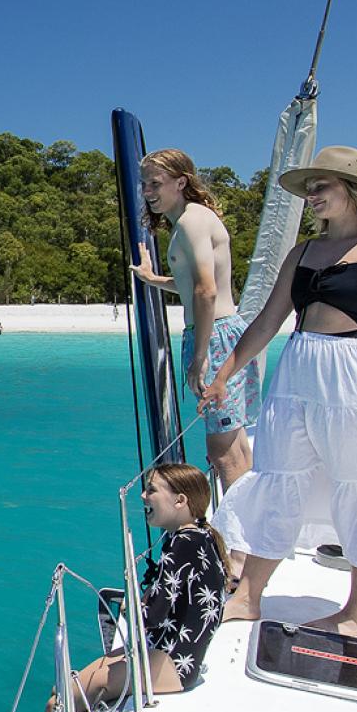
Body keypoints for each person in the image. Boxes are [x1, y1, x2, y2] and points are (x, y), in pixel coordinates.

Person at [203, 145, 357, 637]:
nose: (311, 196)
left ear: (352, 192)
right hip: (297, 376)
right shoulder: (303, 252)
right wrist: (226, 373)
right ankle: (248, 596)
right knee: (278, 477)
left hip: (354, 377)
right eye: (309, 188)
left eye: (321, 186)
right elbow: (268, 321)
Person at [0, 462, 227, 712]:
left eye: (152, 490)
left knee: (58, 703)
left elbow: (152, 616)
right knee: (72, 691)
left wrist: (129, 604)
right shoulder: (200, 535)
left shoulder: (182, 545)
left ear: (180, 500)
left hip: (170, 663)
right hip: (178, 658)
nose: (144, 496)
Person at [129, 148, 260, 490]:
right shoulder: (191, 221)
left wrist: (199, 358)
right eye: (144, 184)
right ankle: (248, 531)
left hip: (213, 337)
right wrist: (153, 279)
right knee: (235, 445)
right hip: (219, 332)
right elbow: (193, 285)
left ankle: (236, 541)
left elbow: (206, 292)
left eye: (155, 183)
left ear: (181, 181)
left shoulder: (191, 221)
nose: (147, 192)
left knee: (223, 454)